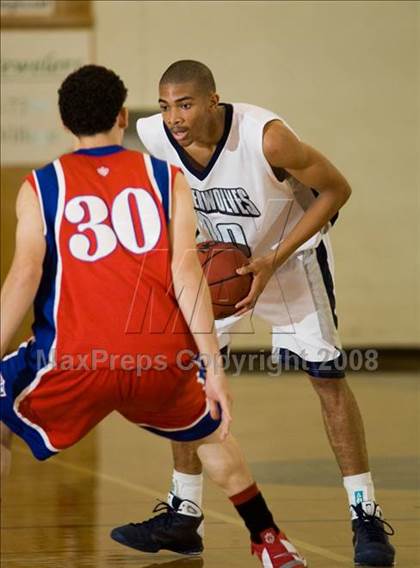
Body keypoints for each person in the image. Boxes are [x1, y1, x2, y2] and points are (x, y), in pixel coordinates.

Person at [0, 64, 309, 568]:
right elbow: (187, 272)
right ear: (123, 116)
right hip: (157, 357)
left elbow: (22, 279)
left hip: (76, 359)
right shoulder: (166, 177)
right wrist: (211, 366)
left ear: (64, 123)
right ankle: (270, 541)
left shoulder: (42, 185)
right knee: (208, 432)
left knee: (1, 416)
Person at [113, 60, 396, 567]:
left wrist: (272, 261)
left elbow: (336, 190)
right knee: (190, 380)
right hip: (220, 265)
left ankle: (365, 515)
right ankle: (184, 515)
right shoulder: (155, 136)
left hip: (288, 261)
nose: (173, 117)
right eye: (165, 105)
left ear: (213, 101)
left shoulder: (267, 138)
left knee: (327, 381)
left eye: (185, 104)